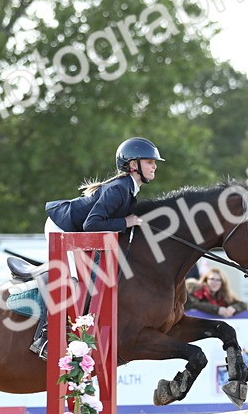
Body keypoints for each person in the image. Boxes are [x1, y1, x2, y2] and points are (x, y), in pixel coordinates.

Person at [31, 137, 164, 357]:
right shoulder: (119, 188)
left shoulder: (130, 190)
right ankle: (44, 338)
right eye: (150, 161)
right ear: (133, 165)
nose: (155, 166)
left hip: (76, 230)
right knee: (71, 281)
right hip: (61, 227)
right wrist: (126, 222)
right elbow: (91, 224)